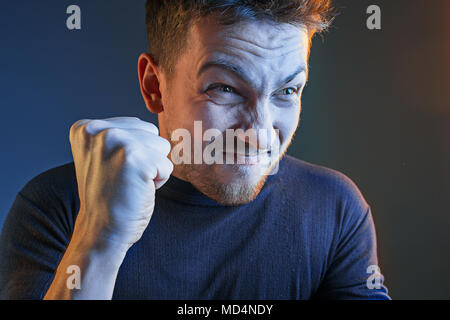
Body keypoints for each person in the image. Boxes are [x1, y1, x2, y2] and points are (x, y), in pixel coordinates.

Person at [0, 0, 390, 299]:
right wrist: (99, 238)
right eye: (224, 88)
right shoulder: (57, 207)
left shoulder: (334, 209)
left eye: (287, 91)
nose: (258, 133)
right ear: (155, 86)